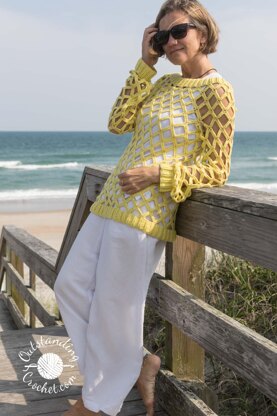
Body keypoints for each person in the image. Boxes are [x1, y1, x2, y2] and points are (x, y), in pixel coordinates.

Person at [54, 0, 235, 415]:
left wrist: (158, 174)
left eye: (179, 32)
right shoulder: (163, 85)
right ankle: (136, 364)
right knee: (69, 285)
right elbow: (118, 123)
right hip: (111, 203)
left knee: (116, 307)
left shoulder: (216, 89)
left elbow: (216, 167)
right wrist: (144, 63)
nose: (170, 41)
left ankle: (96, 402)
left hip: (146, 212)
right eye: (162, 35)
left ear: (202, 34)